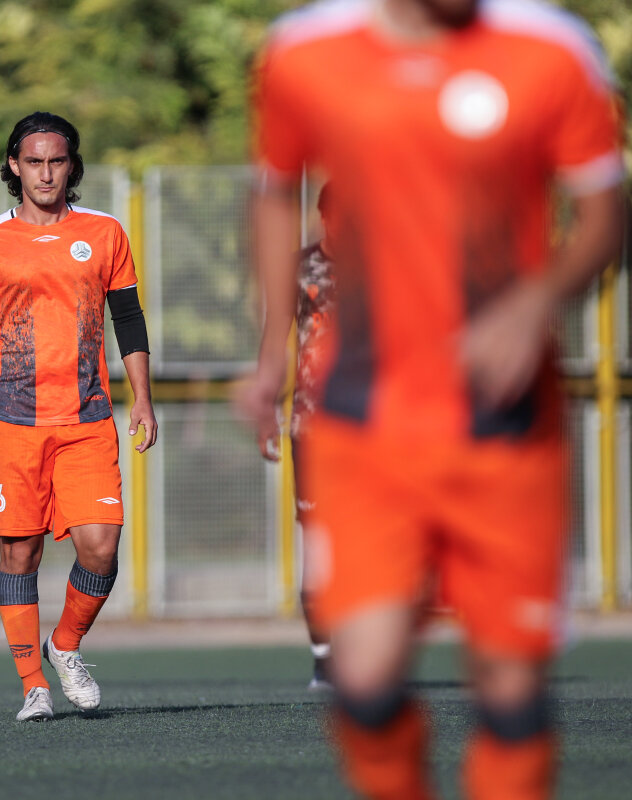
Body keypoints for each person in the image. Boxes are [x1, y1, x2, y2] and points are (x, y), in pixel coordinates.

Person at [241, 0, 624, 797]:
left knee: (511, 692)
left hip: (504, 424)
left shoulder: (551, 49)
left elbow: (604, 214)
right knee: (366, 680)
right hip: (362, 423)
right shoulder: (304, 54)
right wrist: (271, 354)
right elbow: (274, 193)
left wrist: (535, 302)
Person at [0, 111, 158, 721]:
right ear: (14, 166)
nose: (45, 173)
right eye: (34, 162)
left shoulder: (105, 232)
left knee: (101, 547)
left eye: (56, 161)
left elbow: (128, 318)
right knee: (21, 555)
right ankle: (32, 685)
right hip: (12, 422)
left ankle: (65, 644)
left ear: (72, 166)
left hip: (87, 418)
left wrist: (143, 397)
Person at [256, 181, 339, 692]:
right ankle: (325, 659)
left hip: (375, 429)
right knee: (319, 542)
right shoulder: (299, 268)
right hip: (312, 426)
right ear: (324, 217)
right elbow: (274, 340)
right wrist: (266, 406)